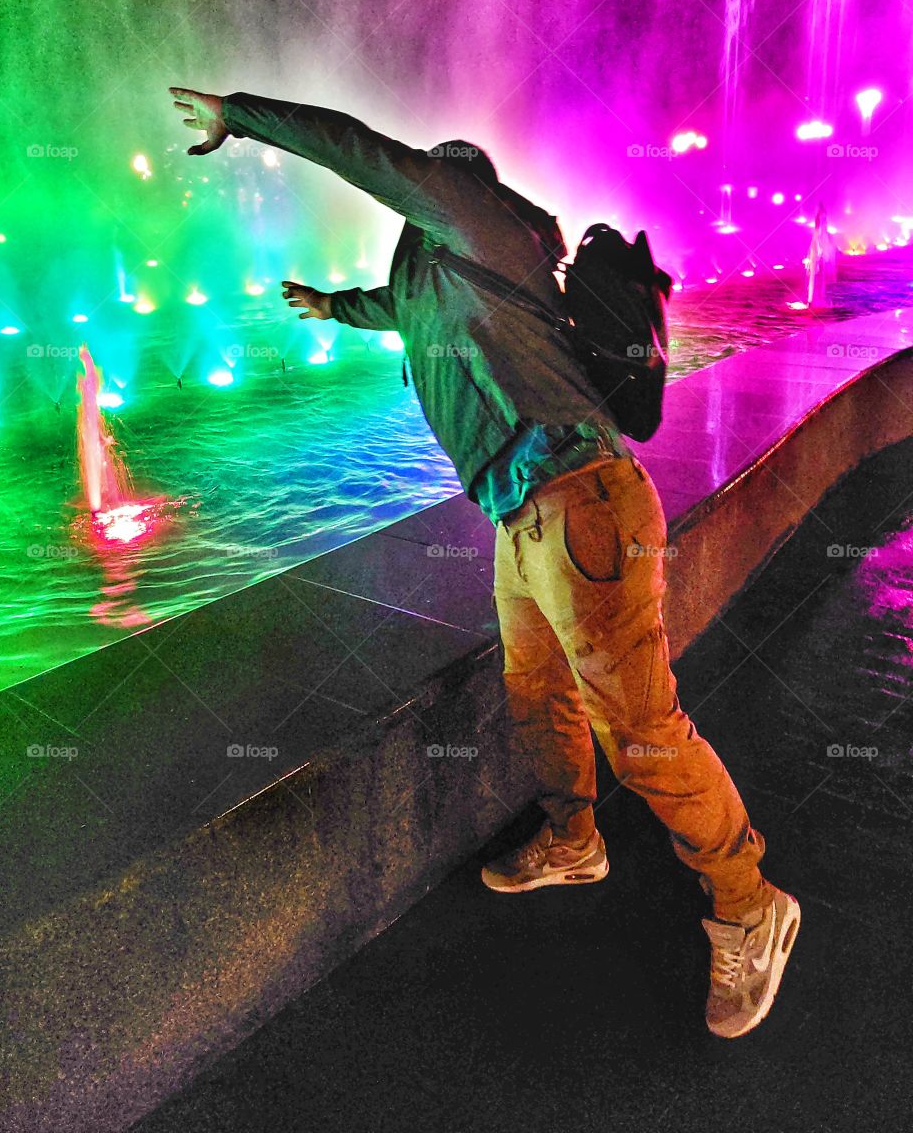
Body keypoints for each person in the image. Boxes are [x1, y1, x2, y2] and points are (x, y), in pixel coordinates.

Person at [168, 86, 801, 1038]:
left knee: (640, 729)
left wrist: (243, 114)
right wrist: (331, 306)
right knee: (535, 695)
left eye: (429, 188)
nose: (417, 207)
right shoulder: (445, 274)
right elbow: (403, 312)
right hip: (524, 519)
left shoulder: (476, 219)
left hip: (583, 502)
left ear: (453, 187)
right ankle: (573, 839)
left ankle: (751, 903)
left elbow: (365, 151)